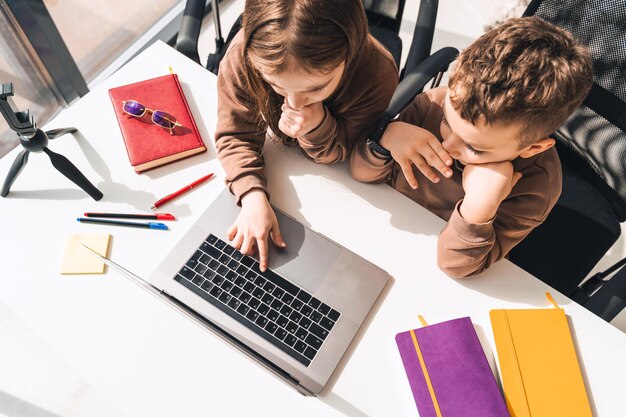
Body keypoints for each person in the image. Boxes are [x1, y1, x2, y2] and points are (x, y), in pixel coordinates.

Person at [350, 17, 593, 278]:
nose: (448, 145)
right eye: (446, 122)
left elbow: (455, 267)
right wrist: (386, 139)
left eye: (474, 148)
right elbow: (361, 174)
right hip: (373, 234)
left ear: (532, 148)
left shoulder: (537, 185)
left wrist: (479, 209)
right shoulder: (434, 103)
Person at [215, 0, 398, 271]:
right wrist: (252, 195)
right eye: (274, 84)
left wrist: (318, 127)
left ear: (351, 54)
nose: (295, 103)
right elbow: (234, 134)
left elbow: (343, 153)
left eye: (316, 88)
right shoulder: (243, 54)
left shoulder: (377, 74)